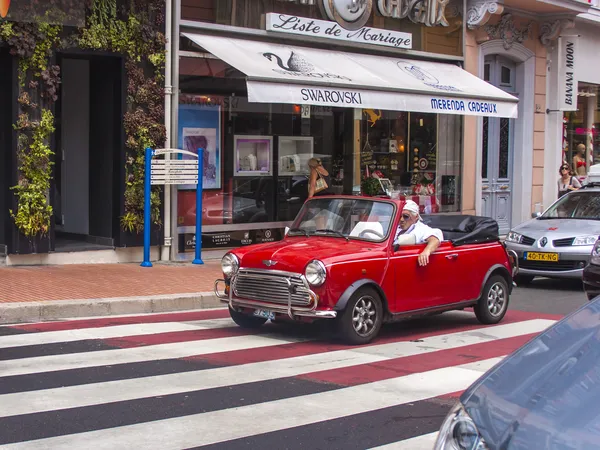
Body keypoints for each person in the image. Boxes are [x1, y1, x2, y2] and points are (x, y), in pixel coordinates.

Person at [393, 200, 443, 267]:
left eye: (406, 216)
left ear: (416, 217)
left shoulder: (421, 229)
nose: (401, 219)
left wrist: (426, 251)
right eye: (399, 216)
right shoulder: (396, 227)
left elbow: (435, 239)